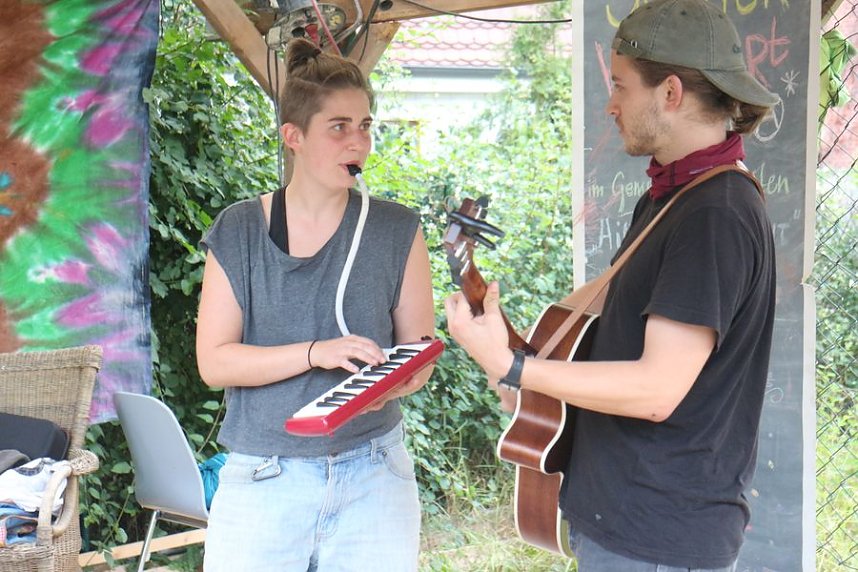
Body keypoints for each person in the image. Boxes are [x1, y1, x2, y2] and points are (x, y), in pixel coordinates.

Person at [445, 0, 779, 570]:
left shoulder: (714, 213)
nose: (611, 104)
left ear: (670, 93)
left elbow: (656, 390)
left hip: (657, 539)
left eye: (622, 86)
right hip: (629, 525)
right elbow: (608, 306)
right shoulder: (676, 195)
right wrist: (521, 353)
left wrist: (515, 369)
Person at [196, 38, 434, 571]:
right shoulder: (240, 229)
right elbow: (214, 363)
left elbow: (419, 353)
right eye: (339, 127)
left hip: (374, 474)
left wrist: (394, 384)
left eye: (366, 125)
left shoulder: (397, 229)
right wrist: (314, 352)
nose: (359, 143)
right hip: (263, 477)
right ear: (294, 136)